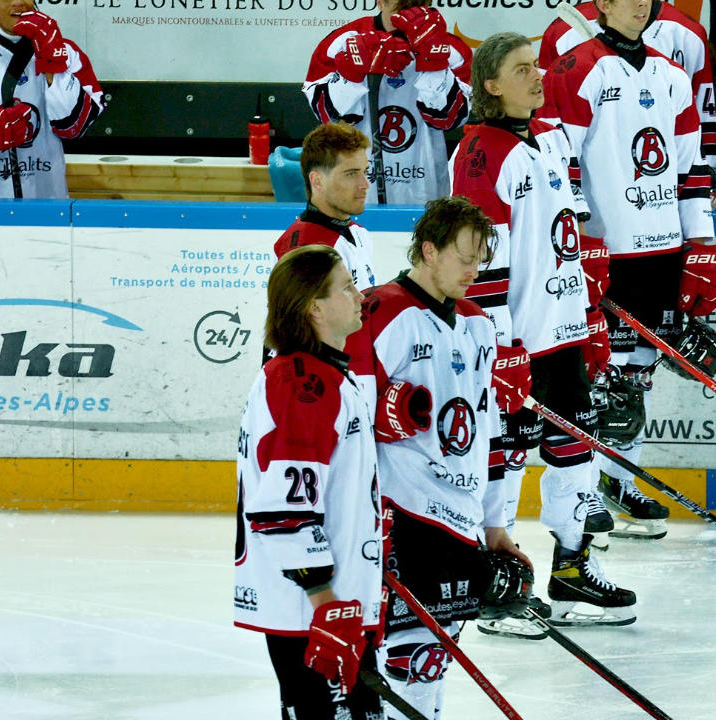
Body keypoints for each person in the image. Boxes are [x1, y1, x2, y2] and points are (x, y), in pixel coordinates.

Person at [452, 32, 633, 632]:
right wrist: (500, 346)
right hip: (518, 343)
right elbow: (477, 262)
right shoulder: (478, 153)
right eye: (521, 69)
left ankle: (572, 571)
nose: (537, 76)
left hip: (563, 333)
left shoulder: (548, 139)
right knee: (504, 459)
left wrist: (588, 316)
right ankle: (498, 589)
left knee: (575, 447)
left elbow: (566, 240)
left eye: (537, 66)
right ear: (490, 85)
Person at [539, 0, 716, 544]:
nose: (640, 3)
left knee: (636, 377)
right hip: (607, 251)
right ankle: (586, 489)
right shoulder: (575, 68)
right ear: (604, 3)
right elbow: (560, 163)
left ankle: (619, 480)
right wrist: (578, 243)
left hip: (661, 250)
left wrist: (701, 245)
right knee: (600, 378)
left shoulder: (671, 74)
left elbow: (691, 167)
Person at [347, 195, 535, 717]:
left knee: (437, 652)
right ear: (429, 250)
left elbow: (487, 431)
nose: (475, 271)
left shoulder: (478, 322)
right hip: (400, 514)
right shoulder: (378, 313)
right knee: (412, 656)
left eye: (481, 260)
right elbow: (347, 425)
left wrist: (496, 526)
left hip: (462, 519)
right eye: (465, 258)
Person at [234, 244, 383, 719]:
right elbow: (283, 511)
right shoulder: (305, 386)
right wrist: (324, 603)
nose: (360, 296)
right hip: (312, 611)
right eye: (347, 287)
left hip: (330, 605)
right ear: (314, 307)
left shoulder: (322, 375)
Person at [303, 0, 471, 206]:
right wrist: (350, 74)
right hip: (354, 191)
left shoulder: (450, 47)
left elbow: (450, 119)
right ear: (380, 2)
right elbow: (329, 119)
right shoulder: (343, 41)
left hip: (424, 190)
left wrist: (435, 62)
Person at [540, 0, 716, 174]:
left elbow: (701, 117)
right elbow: (547, 126)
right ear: (604, 4)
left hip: (662, 178)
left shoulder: (688, 35)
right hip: (597, 180)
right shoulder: (562, 33)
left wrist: (708, 175)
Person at [0, 1, 103, 198]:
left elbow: (74, 127)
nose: (18, 1)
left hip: (47, 205)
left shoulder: (66, 52)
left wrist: (53, 61)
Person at [274, 122, 380, 292]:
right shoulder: (306, 256)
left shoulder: (358, 233)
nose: (365, 184)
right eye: (351, 174)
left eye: (365, 172)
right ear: (318, 181)